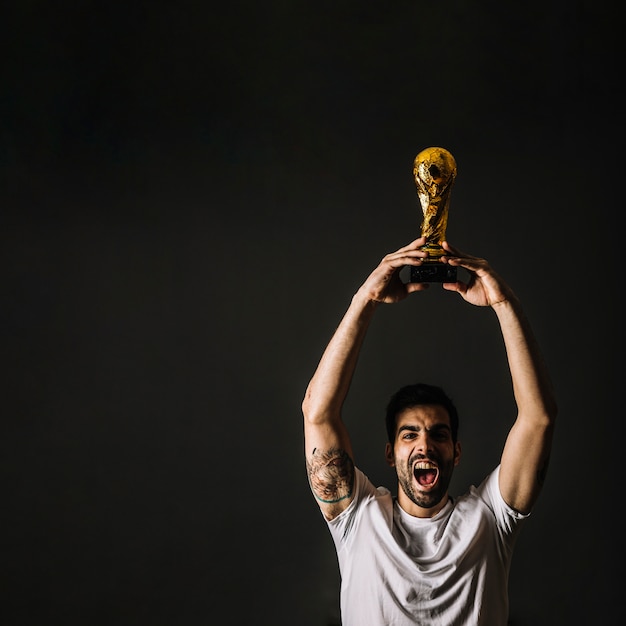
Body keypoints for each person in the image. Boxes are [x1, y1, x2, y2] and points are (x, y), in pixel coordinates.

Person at [301, 236, 557, 626]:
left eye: (439, 435)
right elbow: (317, 413)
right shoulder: (359, 518)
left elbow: (538, 418)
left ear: (456, 451)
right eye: (410, 435)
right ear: (391, 453)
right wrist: (365, 299)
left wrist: (506, 305)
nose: (425, 444)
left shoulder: (488, 521)